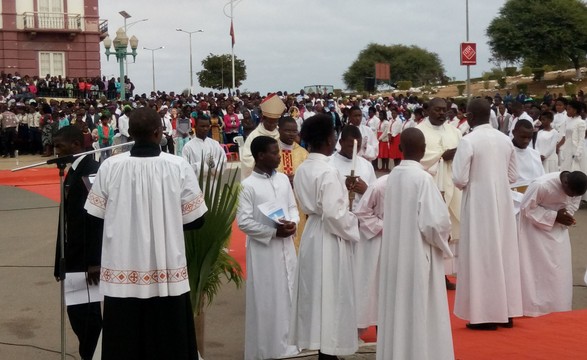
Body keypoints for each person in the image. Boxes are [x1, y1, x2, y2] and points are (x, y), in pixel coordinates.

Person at [84, 107, 207, 359]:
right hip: (166, 269)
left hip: (123, 268)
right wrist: (166, 223)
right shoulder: (177, 166)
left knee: (124, 343)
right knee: (168, 342)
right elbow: (197, 221)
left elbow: (93, 216)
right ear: (158, 131)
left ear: (129, 132)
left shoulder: (110, 166)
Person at [377, 127, 454, 360]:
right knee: (421, 306)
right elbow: (434, 223)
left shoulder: (391, 178)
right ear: (423, 151)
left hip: (395, 253)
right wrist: (445, 236)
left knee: (398, 306)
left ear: (399, 149)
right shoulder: (423, 179)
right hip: (418, 253)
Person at [289, 114, 361, 359]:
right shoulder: (327, 172)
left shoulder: (302, 169)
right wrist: (355, 223)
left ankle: (323, 346)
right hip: (329, 237)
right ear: (329, 139)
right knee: (330, 293)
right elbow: (334, 214)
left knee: (316, 293)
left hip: (312, 233)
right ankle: (328, 349)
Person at [452, 98, 523, 330]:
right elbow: (513, 176)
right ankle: (507, 312)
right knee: (504, 253)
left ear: (470, 117)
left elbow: (460, 179)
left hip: (478, 204)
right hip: (502, 202)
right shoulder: (505, 140)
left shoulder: (468, 141)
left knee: (481, 255)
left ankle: (485, 315)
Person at [237, 136, 299, 360]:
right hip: (264, 250)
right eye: (274, 153)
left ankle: (290, 343)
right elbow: (243, 221)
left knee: (288, 292)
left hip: (286, 245)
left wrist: (293, 223)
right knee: (267, 298)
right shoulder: (247, 186)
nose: (279, 156)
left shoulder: (282, 179)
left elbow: (292, 207)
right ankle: (267, 347)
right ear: (261, 156)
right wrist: (272, 232)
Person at [52, 126, 103, 360]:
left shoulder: (90, 170)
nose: (55, 152)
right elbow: (67, 220)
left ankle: (92, 356)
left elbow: (95, 217)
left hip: (86, 262)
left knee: (87, 318)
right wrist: (58, 262)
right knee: (77, 315)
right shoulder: (72, 171)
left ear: (75, 145)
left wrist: (94, 261)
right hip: (71, 257)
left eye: (59, 147)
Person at [518, 171, 587, 317]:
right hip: (534, 231)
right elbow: (526, 208)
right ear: (565, 182)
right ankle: (534, 308)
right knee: (536, 269)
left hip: (558, 231)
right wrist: (554, 216)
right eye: (571, 193)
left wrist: (567, 216)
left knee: (559, 269)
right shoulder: (542, 185)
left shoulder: (576, 188)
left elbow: (573, 204)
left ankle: (559, 306)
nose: (572, 196)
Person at [417, 97, 462, 288]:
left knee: (451, 229)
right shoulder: (419, 131)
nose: (442, 113)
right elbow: (418, 156)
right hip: (430, 184)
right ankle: (429, 274)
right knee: (432, 228)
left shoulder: (455, 131)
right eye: (437, 110)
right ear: (427, 110)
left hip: (452, 182)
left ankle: (444, 274)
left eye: (444, 110)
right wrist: (441, 156)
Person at [276, 116, 308, 252]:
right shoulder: (271, 150)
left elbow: (309, 177)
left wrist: (297, 179)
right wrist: (282, 179)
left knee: (299, 236)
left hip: (297, 201)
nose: (291, 134)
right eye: (287, 130)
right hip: (277, 200)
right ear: (279, 130)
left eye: (294, 131)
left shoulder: (303, 153)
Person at [330, 125, 377, 209]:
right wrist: (343, 185)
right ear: (341, 142)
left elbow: (376, 194)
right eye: (351, 146)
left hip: (361, 216)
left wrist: (366, 190)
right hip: (336, 215)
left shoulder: (366, 165)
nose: (354, 150)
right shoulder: (329, 163)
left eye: (358, 146)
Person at [241, 94, 285, 180]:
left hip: (279, 176)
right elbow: (247, 159)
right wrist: (267, 162)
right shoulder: (254, 135)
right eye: (270, 122)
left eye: (275, 122)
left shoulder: (280, 134)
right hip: (260, 176)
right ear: (263, 119)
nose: (272, 125)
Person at [182, 114, 227, 191]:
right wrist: (205, 165)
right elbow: (186, 168)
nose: (205, 129)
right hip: (196, 186)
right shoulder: (188, 147)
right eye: (202, 126)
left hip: (213, 184)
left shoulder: (215, 144)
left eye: (207, 126)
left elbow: (223, 162)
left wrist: (212, 165)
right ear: (195, 127)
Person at [512, 119, 545, 184]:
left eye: (529, 137)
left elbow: (542, 179)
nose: (526, 141)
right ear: (514, 132)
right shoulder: (506, 153)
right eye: (523, 137)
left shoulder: (535, 154)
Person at [560, 100, 586, 172]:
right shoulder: (568, 121)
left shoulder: (581, 122)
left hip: (575, 148)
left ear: (575, 110)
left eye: (569, 109)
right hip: (568, 148)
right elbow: (566, 136)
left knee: (575, 169)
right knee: (566, 168)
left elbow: (581, 139)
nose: (567, 111)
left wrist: (578, 153)